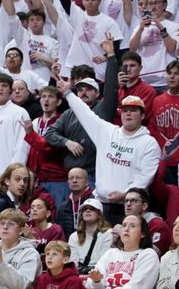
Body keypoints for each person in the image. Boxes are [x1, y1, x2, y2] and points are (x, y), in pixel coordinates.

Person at [59, 78, 159, 225]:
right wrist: (68, 93)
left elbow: (145, 177)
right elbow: (86, 114)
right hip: (100, 205)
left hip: (127, 208)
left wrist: (125, 194)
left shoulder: (149, 143)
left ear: (142, 115)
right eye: (125, 111)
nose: (128, 114)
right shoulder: (107, 132)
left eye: (133, 111)